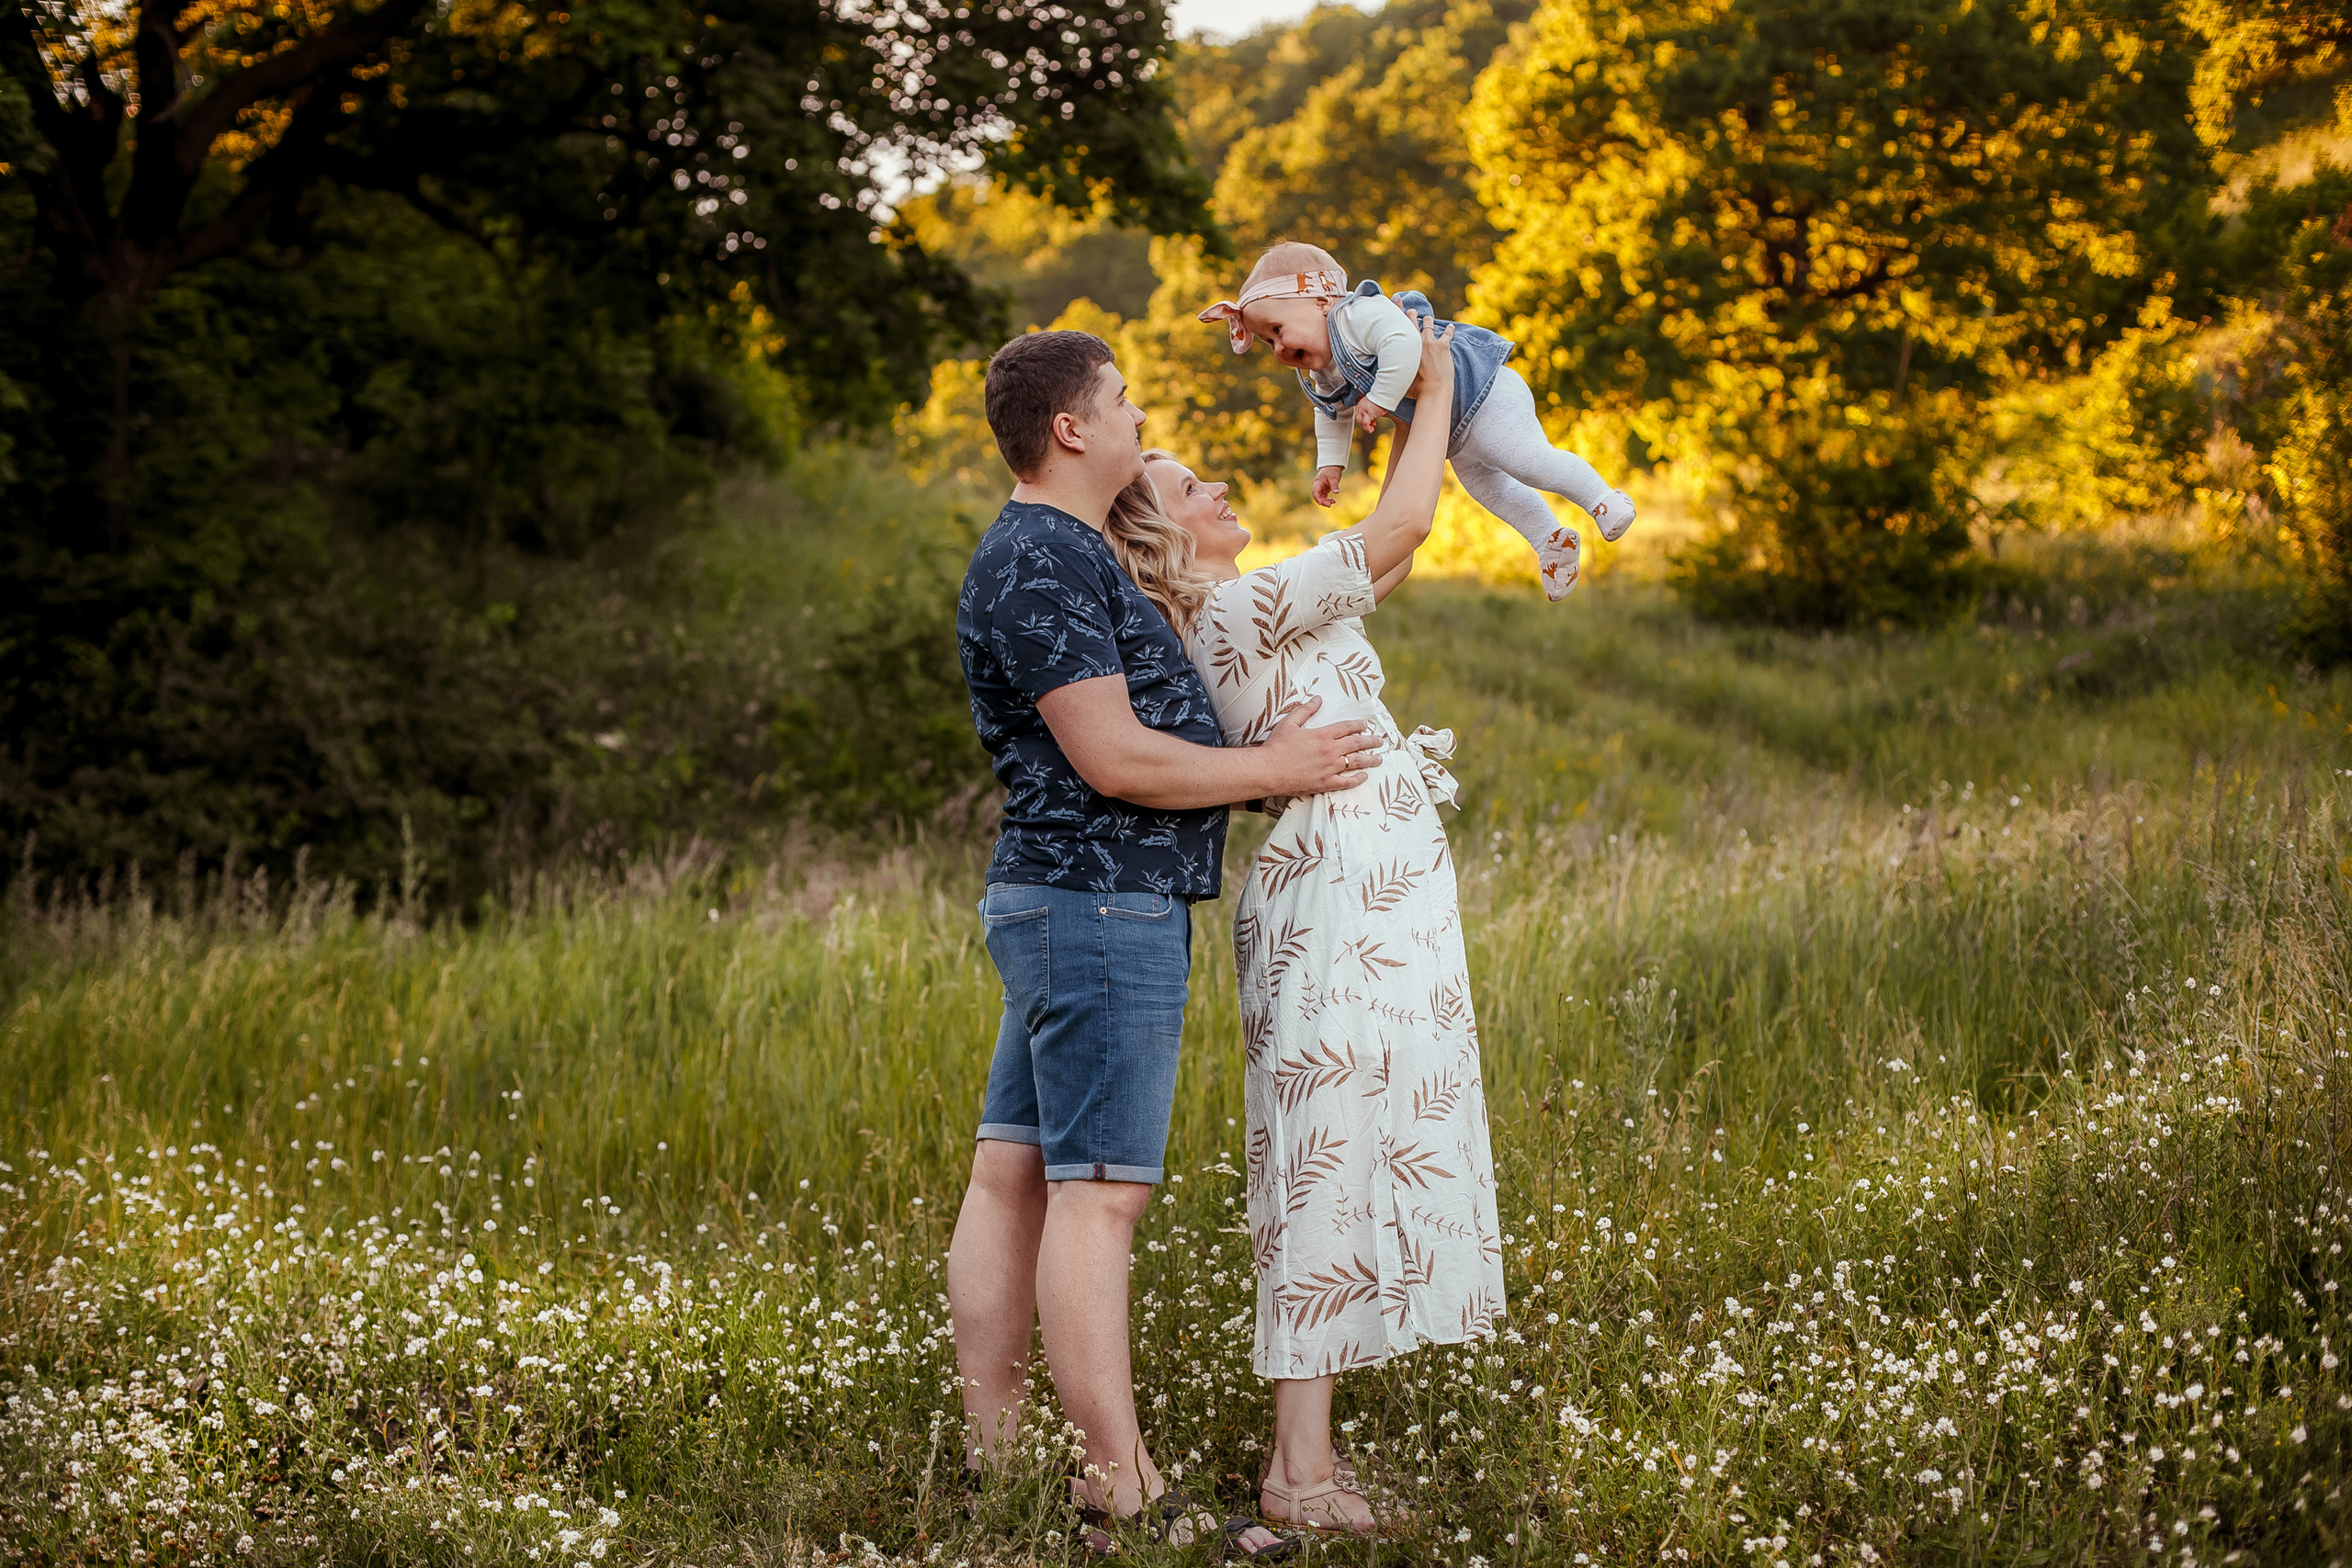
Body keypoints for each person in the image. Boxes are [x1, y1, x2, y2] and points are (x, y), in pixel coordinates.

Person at [948, 329, 1384, 1554]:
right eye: (1126, 399)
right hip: (1098, 906)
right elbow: (1114, 757)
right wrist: (1274, 767)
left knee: (1016, 1170)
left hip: (1068, 899)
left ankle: (1001, 1458)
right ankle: (1117, 1484)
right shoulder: (1040, 556)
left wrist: (1248, 767)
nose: (1141, 417)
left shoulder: (1067, 551)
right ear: (1072, 425)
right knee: (1102, 1196)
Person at [1102, 320, 1508, 1535]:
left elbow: (1382, 562)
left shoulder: (1259, 608)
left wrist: (1398, 422)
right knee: (1323, 1152)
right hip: (1333, 884)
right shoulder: (1228, 617)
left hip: (1369, 875)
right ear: (1161, 533)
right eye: (1184, 485)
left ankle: (1308, 1455)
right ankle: (1300, 1473)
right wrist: (1433, 384)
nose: (1213, 485)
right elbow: (1403, 530)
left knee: (1366, 1134)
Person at [1197, 239, 1637, 601]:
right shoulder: (1321, 369)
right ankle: (1549, 540)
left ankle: (1603, 499)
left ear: (1319, 299)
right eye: (1265, 342)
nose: (1276, 348)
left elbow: (1404, 345)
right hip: (1452, 426)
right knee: (1489, 488)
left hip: (1479, 389)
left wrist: (1379, 397)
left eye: (1276, 329)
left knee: (1525, 459)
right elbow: (1330, 414)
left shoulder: (1356, 315)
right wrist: (1330, 465)